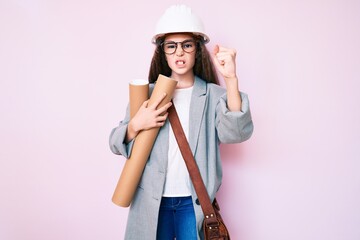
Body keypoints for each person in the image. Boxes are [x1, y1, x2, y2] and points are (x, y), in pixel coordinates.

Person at [109, 4, 253, 240]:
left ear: (197, 50)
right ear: (163, 52)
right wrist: (136, 124)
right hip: (151, 202)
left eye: (187, 45)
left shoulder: (214, 95)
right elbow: (115, 143)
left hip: (193, 203)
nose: (179, 53)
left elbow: (235, 133)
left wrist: (231, 80)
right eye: (171, 46)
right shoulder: (147, 94)